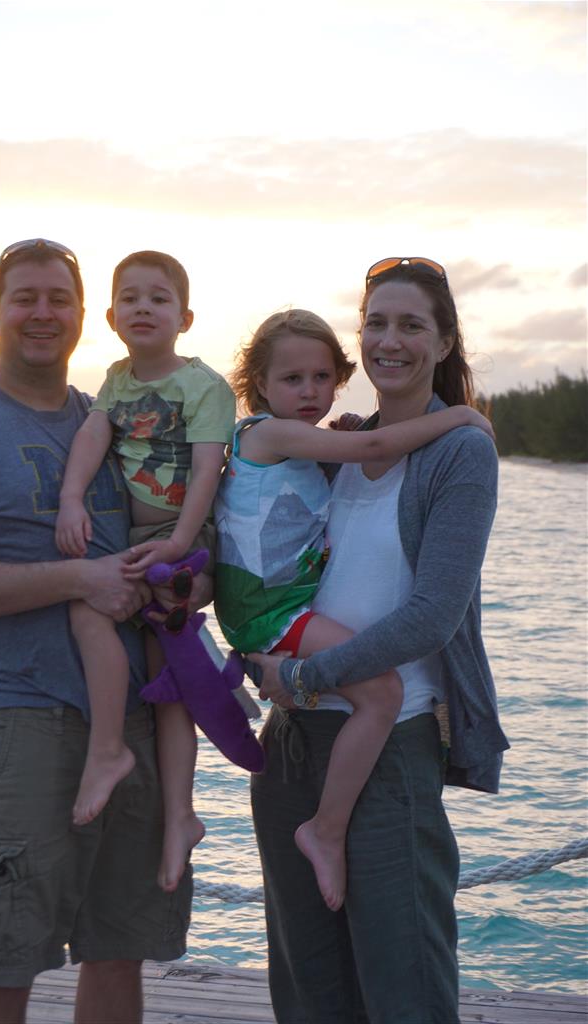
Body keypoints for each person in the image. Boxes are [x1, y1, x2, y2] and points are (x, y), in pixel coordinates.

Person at [0, 239, 203, 1024]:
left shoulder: (121, 421)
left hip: (135, 722)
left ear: (82, 316)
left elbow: (189, 526)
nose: (42, 313)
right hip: (20, 724)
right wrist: (80, 579)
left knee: (118, 954)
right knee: (2, 963)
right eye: (25, 298)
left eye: (58, 299)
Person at [247, 259, 510, 1024]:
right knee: (309, 993)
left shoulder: (460, 451)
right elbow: (261, 560)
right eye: (374, 323)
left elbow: (432, 615)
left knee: (405, 991)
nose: (388, 340)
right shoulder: (333, 447)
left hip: (390, 750)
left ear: (443, 341)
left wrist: (306, 675)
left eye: (410, 325)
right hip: (290, 747)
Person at [214, 308, 494, 912]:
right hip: (272, 613)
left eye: (321, 378)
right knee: (383, 693)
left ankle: (326, 827)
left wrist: (338, 438)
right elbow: (372, 444)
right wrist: (461, 416)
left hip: (269, 610)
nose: (310, 392)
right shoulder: (267, 433)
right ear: (259, 383)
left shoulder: (300, 448)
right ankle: (327, 829)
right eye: (293, 379)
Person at [55, 250, 235, 891]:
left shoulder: (204, 386)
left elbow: (208, 467)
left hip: (182, 537)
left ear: (184, 318)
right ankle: (180, 817)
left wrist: (180, 542)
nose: (143, 308)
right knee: (167, 681)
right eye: (129, 298)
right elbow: (92, 437)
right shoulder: (116, 380)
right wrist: (71, 498)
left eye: (158, 298)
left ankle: (111, 755)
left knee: (90, 610)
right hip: (137, 541)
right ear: (110, 317)